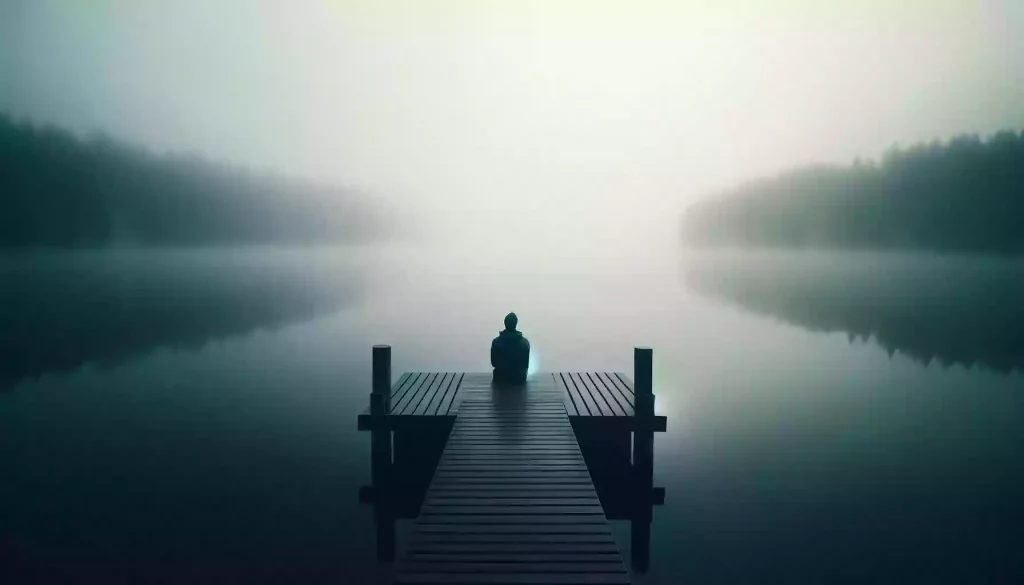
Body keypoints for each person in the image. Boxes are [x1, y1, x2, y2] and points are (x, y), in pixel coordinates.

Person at [491, 312, 530, 385]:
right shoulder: (525, 343)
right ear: (516, 323)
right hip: (519, 379)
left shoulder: (496, 342)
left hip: (500, 378)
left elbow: (493, 363)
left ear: (505, 323)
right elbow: (525, 364)